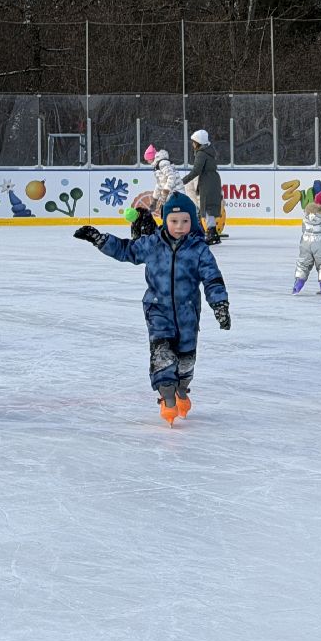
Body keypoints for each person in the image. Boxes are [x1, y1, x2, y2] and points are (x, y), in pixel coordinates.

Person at [74, 190, 230, 425]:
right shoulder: (152, 244)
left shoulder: (199, 250)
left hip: (188, 314)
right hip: (158, 310)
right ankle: (167, 399)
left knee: (185, 363)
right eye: (174, 221)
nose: (179, 226)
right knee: (162, 356)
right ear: (165, 221)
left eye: (185, 221)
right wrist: (99, 239)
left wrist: (220, 305)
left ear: (193, 221)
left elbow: (212, 279)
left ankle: (182, 391)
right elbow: (126, 250)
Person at [127, 143, 183, 239]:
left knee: (172, 215)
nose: (147, 161)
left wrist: (165, 191)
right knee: (166, 214)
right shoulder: (157, 166)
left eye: (147, 159)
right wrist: (154, 199)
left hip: (176, 193)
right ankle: (170, 234)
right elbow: (159, 184)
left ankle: (175, 234)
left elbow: (171, 176)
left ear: (151, 157)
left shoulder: (162, 163)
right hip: (170, 194)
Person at [182, 129, 223, 246]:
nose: (193, 144)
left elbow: (196, 171)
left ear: (198, 142)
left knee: (208, 207)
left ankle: (212, 233)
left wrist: (182, 181)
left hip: (208, 182)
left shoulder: (201, 153)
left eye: (194, 142)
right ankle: (213, 233)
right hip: (212, 180)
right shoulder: (208, 151)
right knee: (209, 206)